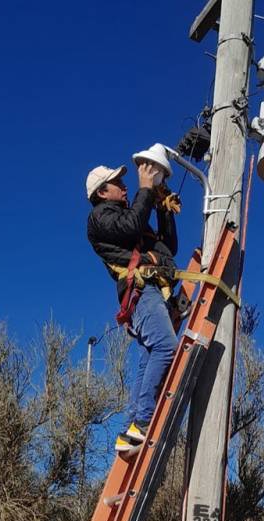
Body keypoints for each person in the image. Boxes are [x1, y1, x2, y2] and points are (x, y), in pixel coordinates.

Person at [86, 157, 179, 453]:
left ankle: (132, 427)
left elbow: (167, 248)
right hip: (140, 291)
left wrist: (164, 211)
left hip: (150, 291)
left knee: (150, 354)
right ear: (102, 192)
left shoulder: (129, 216)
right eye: (119, 184)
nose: (125, 189)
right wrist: (146, 191)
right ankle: (143, 421)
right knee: (165, 347)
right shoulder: (101, 217)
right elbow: (130, 226)